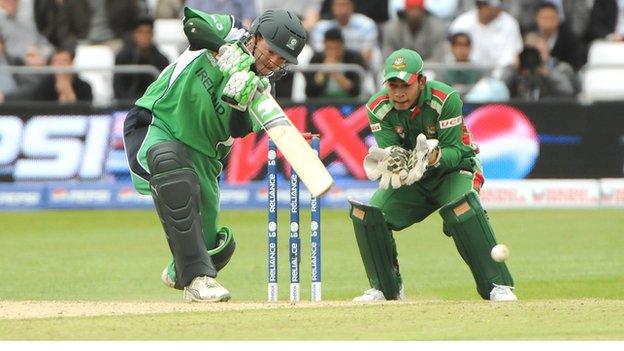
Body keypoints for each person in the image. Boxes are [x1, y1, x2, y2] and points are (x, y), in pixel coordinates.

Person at [122, 7, 306, 302]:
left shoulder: (263, 90)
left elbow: (238, 129)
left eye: (282, 59)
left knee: (217, 247)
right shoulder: (230, 31)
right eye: (272, 51)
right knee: (170, 164)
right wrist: (223, 51)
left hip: (204, 160)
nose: (274, 62)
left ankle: (181, 270)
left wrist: (239, 100)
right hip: (157, 123)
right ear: (256, 36)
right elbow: (192, 24)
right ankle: (197, 279)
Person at [349, 48, 517, 302]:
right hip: (414, 179)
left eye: (405, 84)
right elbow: (392, 149)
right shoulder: (377, 107)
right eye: (392, 85)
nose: (398, 92)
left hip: (454, 170)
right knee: (369, 215)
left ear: (421, 81)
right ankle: (386, 289)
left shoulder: (445, 98)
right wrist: (397, 160)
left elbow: (458, 151)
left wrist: (432, 156)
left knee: (462, 211)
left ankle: (497, 286)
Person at [114, 16, 170, 101]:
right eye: (140, 32)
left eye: (147, 32)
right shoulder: (122, 58)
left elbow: (164, 90)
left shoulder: (162, 60)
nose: (144, 36)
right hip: (126, 105)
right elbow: (118, 88)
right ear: (134, 34)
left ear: (152, 34)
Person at [304, 27, 365, 99]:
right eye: (329, 49)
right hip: (321, 104)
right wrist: (322, 73)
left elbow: (356, 91)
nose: (333, 52)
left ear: (342, 46)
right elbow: (309, 93)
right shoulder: (316, 58)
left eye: (336, 48)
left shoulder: (353, 58)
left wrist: (335, 72)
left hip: (349, 103)